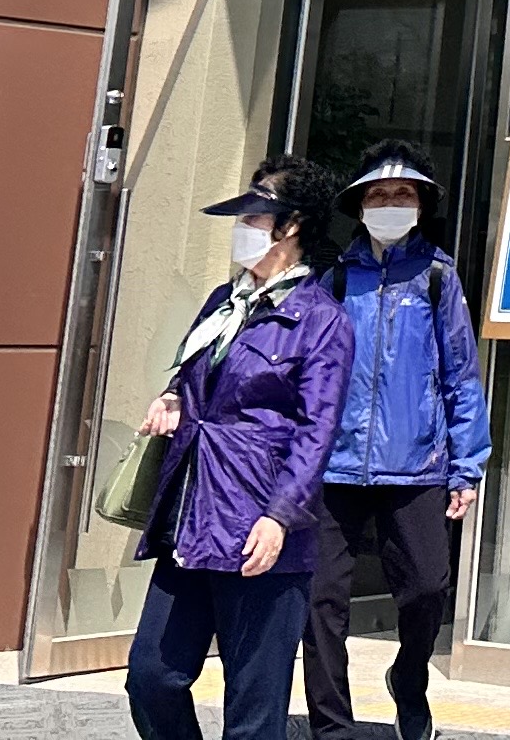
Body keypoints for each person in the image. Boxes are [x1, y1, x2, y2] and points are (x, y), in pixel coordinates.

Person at [129, 161, 356, 740]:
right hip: (191, 516)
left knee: (254, 714)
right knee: (151, 678)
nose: (242, 228)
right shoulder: (221, 303)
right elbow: (196, 374)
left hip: (258, 524)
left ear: (291, 225)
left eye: (254, 216)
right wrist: (172, 397)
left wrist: (279, 517)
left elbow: (317, 432)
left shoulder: (321, 320)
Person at [303, 143, 487, 740]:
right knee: (320, 601)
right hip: (334, 466)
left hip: (417, 465)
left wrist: (467, 466)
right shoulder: (335, 278)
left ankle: (409, 679)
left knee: (428, 587)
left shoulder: (437, 277)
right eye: (378, 195)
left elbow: (461, 377)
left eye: (402, 194)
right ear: (360, 206)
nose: (389, 203)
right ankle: (332, 726)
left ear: (420, 204)